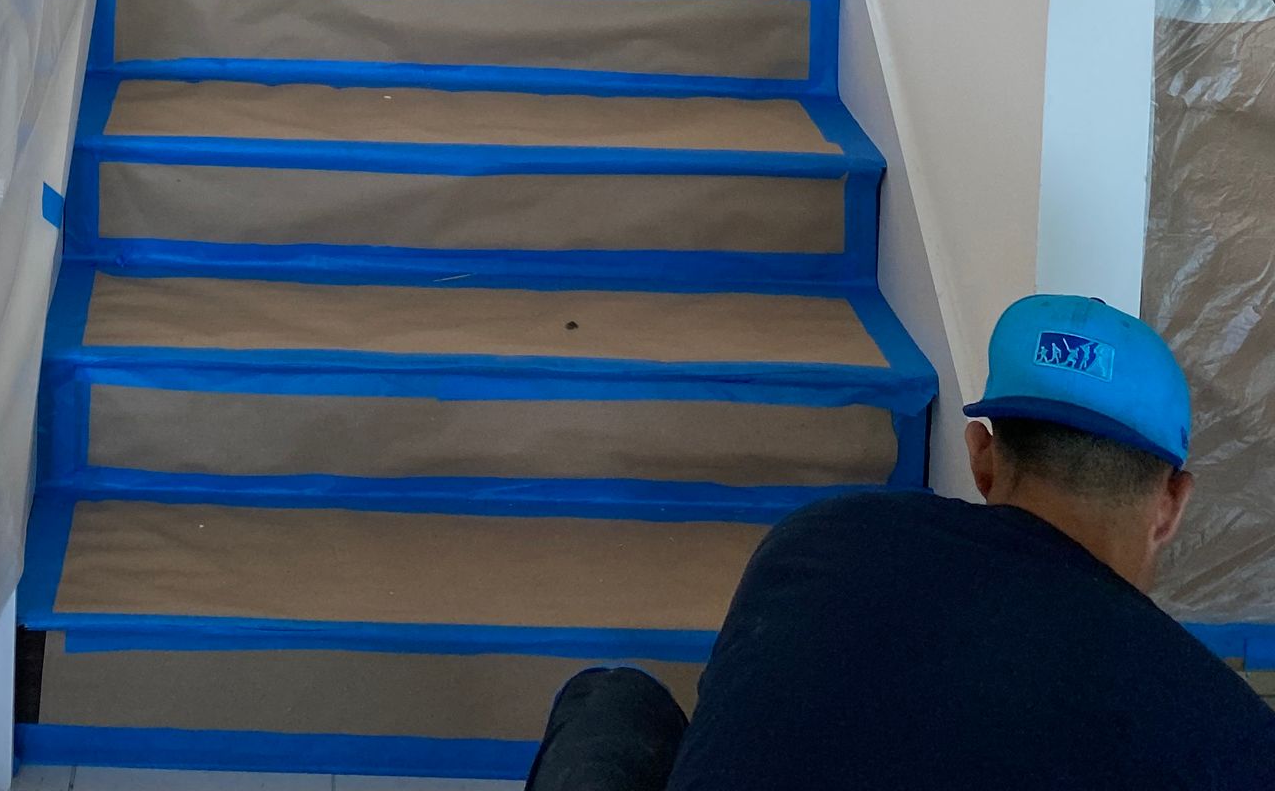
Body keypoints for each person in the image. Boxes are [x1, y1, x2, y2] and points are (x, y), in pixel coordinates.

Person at [525, 294, 1275, 790]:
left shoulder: (824, 539)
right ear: (1172, 504)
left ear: (981, 456)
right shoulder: (1230, 734)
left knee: (614, 698)